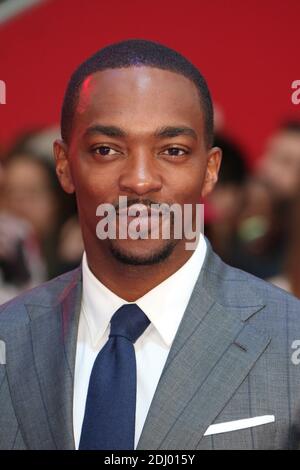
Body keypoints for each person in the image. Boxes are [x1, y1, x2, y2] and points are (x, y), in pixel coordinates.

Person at [0, 39, 300, 451]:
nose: (140, 180)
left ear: (210, 171)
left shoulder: (290, 339)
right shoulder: (8, 337)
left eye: (173, 151)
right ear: (65, 166)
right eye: (107, 150)